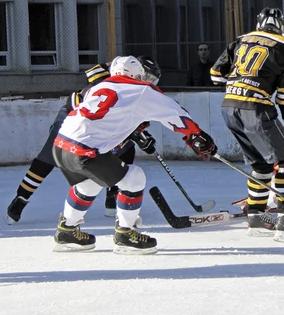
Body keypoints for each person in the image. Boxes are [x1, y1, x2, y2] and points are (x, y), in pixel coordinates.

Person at [51, 55, 217, 254]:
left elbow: (107, 117)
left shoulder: (99, 86)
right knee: (134, 177)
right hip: (86, 150)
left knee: (90, 182)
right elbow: (175, 113)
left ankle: (67, 230)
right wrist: (196, 137)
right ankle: (125, 234)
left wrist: (135, 131)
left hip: (61, 146)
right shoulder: (142, 90)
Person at [4, 56, 161, 225]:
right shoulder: (115, 75)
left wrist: (139, 134)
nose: (150, 83)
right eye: (148, 77)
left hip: (98, 125)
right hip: (74, 118)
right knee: (48, 157)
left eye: (154, 80)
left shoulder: (136, 91)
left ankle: (113, 197)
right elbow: (92, 76)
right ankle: (21, 198)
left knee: (124, 149)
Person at [210, 7, 284, 242]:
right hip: (256, 108)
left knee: (261, 163)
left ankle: (256, 216)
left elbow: (215, 75)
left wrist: (241, 82)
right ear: (282, 26)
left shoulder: (240, 40)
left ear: (259, 24)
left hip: (229, 107)